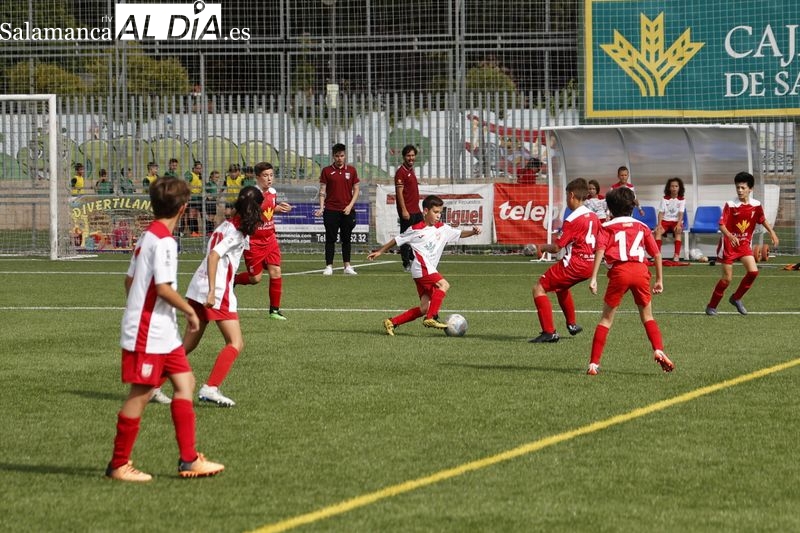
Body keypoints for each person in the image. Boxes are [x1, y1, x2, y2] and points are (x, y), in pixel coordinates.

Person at [105, 176, 224, 482]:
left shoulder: (148, 236)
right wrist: (189, 312)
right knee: (140, 394)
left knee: (185, 384)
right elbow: (163, 288)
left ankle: (189, 460)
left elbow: (129, 281)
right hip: (149, 331)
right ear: (184, 209)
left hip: (163, 331)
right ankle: (119, 464)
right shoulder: (165, 242)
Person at [183, 186, 265, 407]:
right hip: (215, 291)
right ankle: (210, 388)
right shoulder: (236, 232)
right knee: (235, 342)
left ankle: (152, 385)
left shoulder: (227, 225)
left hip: (197, 286)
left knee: (187, 345)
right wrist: (212, 290)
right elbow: (214, 255)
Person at [586, 186, 674, 376]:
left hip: (620, 272)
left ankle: (593, 364)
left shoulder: (606, 227)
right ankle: (658, 349)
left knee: (606, 319)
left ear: (610, 209)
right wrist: (659, 279)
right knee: (648, 317)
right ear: (633, 206)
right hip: (641, 271)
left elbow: (600, 250)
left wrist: (593, 278)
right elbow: (656, 254)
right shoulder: (641, 226)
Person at [367, 195, 482, 335]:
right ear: (426, 211)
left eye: (440, 212)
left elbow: (460, 234)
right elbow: (396, 240)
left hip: (425, 270)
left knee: (424, 308)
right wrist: (380, 251)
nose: (439, 215)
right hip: (421, 267)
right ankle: (431, 318)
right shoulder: (415, 229)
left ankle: (392, 322)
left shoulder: (442, 228)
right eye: (436, 212)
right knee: (444, 285)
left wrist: (472, 232)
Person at [529, 178, 599, 343]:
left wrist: (542, 248)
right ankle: (572, 324)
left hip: (574, 264)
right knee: (561, 287)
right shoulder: (594, 217)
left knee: (538, 288)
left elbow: (557, 248)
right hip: (588, 265)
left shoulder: (573, 219)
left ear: (572, 195)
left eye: (567, 196)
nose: (567, 199)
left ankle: (549, 332)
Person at [705, 172, 779, 316]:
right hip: (728, 245)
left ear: (750, 189)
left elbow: (762, 219)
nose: (739, 190)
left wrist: (772, 232)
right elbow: (721, 225)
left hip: (744, 244)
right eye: (737, 187)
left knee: (753, 272)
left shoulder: (756, 205)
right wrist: (730, 235)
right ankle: (711, 306)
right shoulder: (731, 205)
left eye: (743, 188)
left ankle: (736, 298)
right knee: (727, 279)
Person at [234, 162, 293, 320]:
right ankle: (234, 279)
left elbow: (268, 210)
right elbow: (240, 215)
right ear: (257, 177)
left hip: (270, 239)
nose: (269, 179)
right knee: (255, 279)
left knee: (276, 271)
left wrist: (278, 208)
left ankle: (274, 310)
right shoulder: (251, 195)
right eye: (265, 176)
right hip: (254, 242)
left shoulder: (273, 192)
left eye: (271, 175)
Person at [315, 143, 360, 275]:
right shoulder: (326, 171)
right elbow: (322, 190)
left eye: (342, 155)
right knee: (330, 239)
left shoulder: (351, 170)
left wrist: (350, 206)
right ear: (333, 156)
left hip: (347, 210)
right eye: (337, 156)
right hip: (331, 210)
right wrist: (322, 208)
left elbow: (356, 189)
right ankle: (329, 266)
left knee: (346, 238)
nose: (339, 158)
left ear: (345, 156)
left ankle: (347, 266)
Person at [394, 144, 423, 272]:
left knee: (419, 235)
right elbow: (399, 193)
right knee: (406, 237)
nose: (411, 158)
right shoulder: (401, 172)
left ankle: (414, 259)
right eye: (408, 155)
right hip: (408, 211)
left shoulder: (411, 171)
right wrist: (404, 210)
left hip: (416, 210)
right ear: (404, 157)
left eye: (412, 155)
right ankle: (406, 263)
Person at [654, 177, 686, 261]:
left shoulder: (682, 200)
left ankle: (676, 255)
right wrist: (659, 225)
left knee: (678, 231)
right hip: (665, 221)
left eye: (676, 186)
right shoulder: (664, 199)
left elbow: (681, 213)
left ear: (679, 188)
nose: (674, 188)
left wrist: (679, 224)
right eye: (672, 186)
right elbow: (661, 212)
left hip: (676, 222)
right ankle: (658, 255)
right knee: (658, 232)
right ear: (669, 188)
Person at [184, 160, 203, 236]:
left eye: (200, 168)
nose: (199, 170)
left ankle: (196, 231)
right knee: (191, 214)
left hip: (198, 197)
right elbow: (187, 183)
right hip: (192, 197)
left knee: (195, 215)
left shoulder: (199, 176)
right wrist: (189, 194)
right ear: (194, 168)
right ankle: (192, 231)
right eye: (197, 168)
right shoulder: (190, 174)